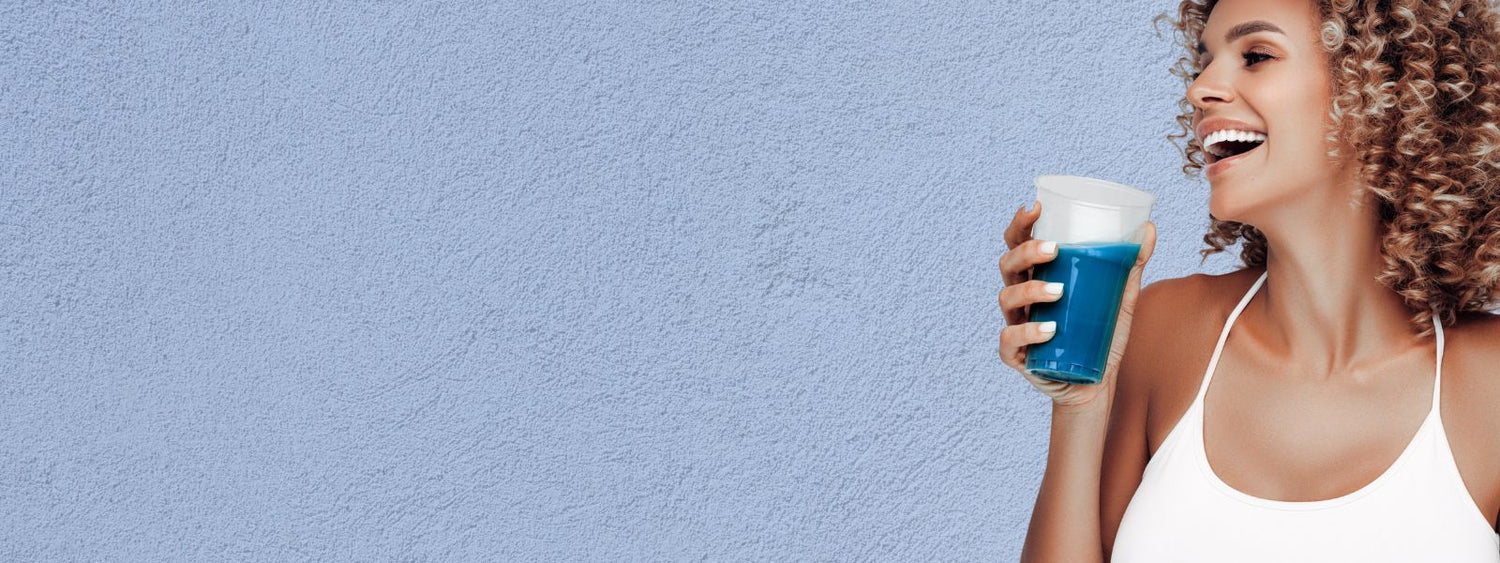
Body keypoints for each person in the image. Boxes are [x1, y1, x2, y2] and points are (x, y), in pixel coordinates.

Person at [998, 0, 1500, 560]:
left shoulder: (1488, 385)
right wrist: (1080, 407)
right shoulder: (1165, 332)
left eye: (1256, 55)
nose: (1201, 90)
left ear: (1381, 90)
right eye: (1203, 63)